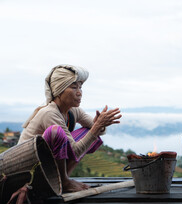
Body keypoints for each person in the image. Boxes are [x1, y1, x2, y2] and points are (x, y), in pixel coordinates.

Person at [19, 64, 122, 193]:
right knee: (56, 132)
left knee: (88, 133)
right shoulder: (50, 113)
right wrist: (97, 126)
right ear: (59, 90)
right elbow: (75, 151)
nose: (79, 93)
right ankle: (64, 181)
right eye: (74, 87)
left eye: (80, 87)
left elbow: (100, 131)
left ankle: (62, 179)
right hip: (30, 168)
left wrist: (100, 124)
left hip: (46, 164)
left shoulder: (73, 111)